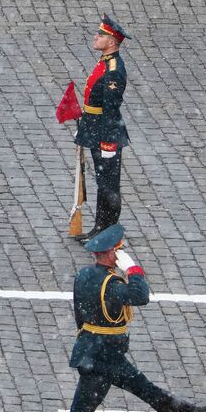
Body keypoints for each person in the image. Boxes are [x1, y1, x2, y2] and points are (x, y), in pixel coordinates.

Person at [35, 225, 206, 412]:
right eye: (118, 250)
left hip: (94, 352)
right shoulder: (112, 285)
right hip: (105, 359)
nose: (121, 252)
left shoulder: (84, 275)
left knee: (148, 391)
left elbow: (80, 313)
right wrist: (132, 269)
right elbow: (141, 296)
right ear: (110, 254)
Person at [74, 14, 129, 243]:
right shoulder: (105, 62)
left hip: (106, 133)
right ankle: (100, 227)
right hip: (95, 128)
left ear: (113, 41)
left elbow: (110, 108)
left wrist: (108, 140)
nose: (96, 37)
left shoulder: (113, 69)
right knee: (102, 181)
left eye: (101, 35)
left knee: (109, 185)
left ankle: (109, 230)